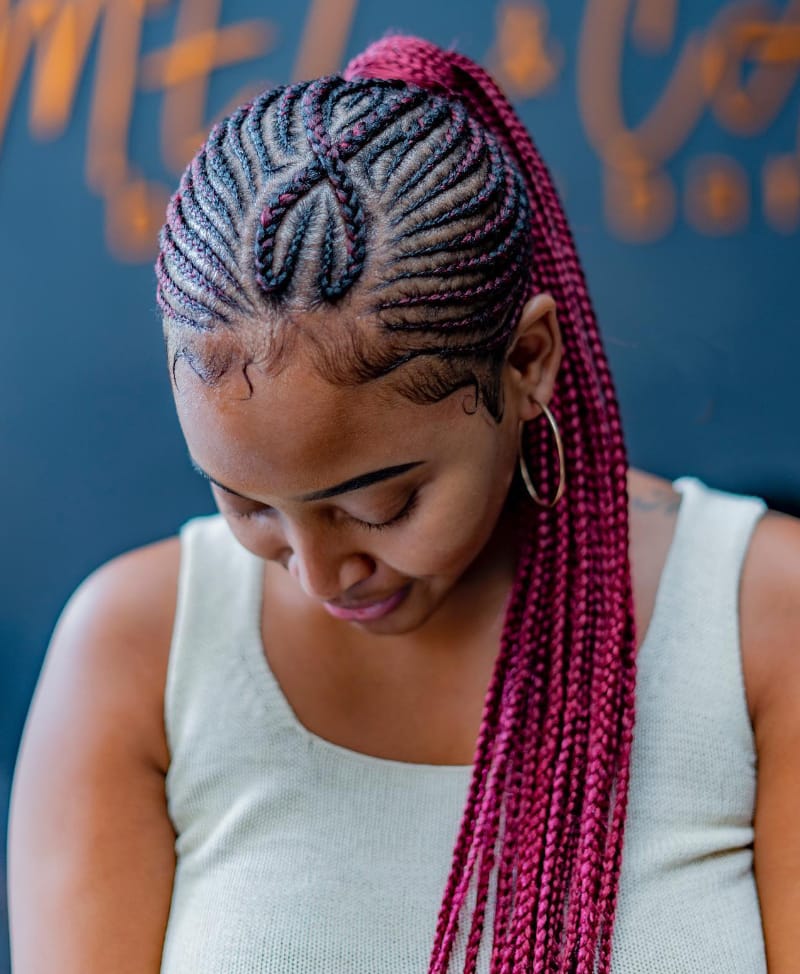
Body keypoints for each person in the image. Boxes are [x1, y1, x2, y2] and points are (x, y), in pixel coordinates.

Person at [7, 33, 800, 974]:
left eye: (379, 507)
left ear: (527, 362)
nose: (316, 573)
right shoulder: (135, 653)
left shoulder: (764, 620)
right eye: (247, 505)